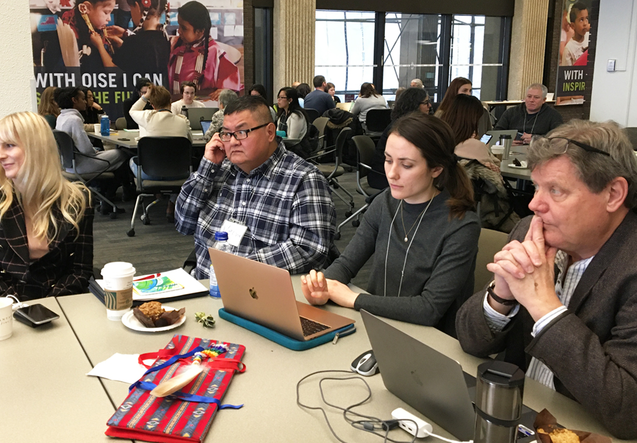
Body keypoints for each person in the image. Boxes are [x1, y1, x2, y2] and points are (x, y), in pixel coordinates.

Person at [456, 120, 637, 439]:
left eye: (555, 190)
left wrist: (545, 307)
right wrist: (502, 295)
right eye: (537, 187)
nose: (534, 204)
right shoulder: (530, 231)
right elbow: (471, 340)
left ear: (613, 194)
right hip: (516, 413)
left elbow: (626, 410)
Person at [301, 113, 480, 337]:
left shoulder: (461, 225)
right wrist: (323, 285)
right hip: (378, 325)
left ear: (436, 169)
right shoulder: (384, 202)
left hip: (430, 341)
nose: (392, 173)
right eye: (388, 160)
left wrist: (353, 299)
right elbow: (347, 264)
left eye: (406, 165)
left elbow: (429, 309)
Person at [175, 95, 336, 279]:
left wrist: (238, 268)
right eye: (227, 133)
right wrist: (206, 170)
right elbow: (183, 223)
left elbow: (309, 250)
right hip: (204, 286)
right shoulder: (218, 170)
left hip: (260, 294)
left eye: (242, 132)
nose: (233, 141)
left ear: (269, 132)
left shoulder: (304, 179)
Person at [0, 112, 93, 302]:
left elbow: (80, 270)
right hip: (2, 306)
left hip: (59, 304)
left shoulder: (78, 200)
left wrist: (50, 306)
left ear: (36, 148)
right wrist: (19, 308)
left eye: (9, 145)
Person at [441, 94, 519, 233]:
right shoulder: (475, 146)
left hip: (447, 211)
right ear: (472, 120)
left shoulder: (441, 141)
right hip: (482, 214)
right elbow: (497, 174)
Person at [56, 87, 132, 207]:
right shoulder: (74, 120)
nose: (85, 101)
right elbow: (86, 150)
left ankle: (107, 194)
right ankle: (111, 195)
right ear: (74, 100)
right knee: (123, 154)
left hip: (70, 164)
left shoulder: (61, 117)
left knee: (111, 155)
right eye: (82, 99)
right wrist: (95, 151)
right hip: (82, 164)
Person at [129, 85, 192, 221]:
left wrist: (145, 96)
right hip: (179, 174)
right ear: (170, 101)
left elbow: (133, 110)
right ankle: (172, 202)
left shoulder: (146, 117)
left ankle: (158, 194)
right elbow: (189, 143)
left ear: (151, 104)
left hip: (150, 173)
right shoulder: (182, 121)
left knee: (132, 160)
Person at [168, 1, 240, 96]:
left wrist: (225, 91)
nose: (179, 31)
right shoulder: (173, 45)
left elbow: (231, 86)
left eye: (183, 28)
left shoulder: (215, 53)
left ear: (200, 31)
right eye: (179, 25)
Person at [368, 88, 431, 189]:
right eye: (426, 103)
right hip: (384, 176)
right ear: (415, 105)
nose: (429, 106)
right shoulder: (403, 129)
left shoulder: (405, 124)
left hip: (391, 172)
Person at [111, 0, 170, 87]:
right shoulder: (166, 39)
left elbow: (114, 70)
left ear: (137, 7)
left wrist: (99, 45)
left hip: (139, 97)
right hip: (160, 95)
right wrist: (125, 34)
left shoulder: (132, 42)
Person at [495, 84, 563, 144]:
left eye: (536, 97)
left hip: (540, 151)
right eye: (529, 96)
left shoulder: (553, 115)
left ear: (544, 100)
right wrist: (506, 141)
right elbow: (496, 133)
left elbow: (560, 137)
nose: (531, 100)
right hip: (511, 149)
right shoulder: (511, 112)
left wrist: (536, 139)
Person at [61, 0, 118, 72]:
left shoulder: (100, 32)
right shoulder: (69, 36)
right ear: (85, 8)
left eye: (110, 13)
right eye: (106, 12)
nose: (109, 19)